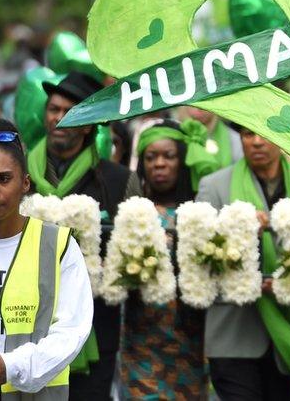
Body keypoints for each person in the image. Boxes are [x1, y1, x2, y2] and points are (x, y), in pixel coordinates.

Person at [196, 124, 290, 400]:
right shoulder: (214, 185)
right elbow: (198, 256)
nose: (256, 142)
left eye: (265, 134)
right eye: (247, 134)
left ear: (281, 139)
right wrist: (237, 231)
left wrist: (287, 283)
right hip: (235, 331)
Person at [0, 118, 93, 400]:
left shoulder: (57, 245)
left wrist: (11, 367)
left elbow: (72, 331)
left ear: (25, 183)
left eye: (3, 178)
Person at [25, 71, 130, 399]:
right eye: (53, 109)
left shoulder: (118, 180)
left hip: (96, 327)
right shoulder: (17, 174)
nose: (57, 117)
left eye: (68, 112)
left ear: (88, 124)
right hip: (26, 323)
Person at [119, 119, 217, 399]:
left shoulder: (203, 211)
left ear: (182, 160)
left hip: (191, 341)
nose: (159, 164)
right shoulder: (131, 212)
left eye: (168, 156)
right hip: (140, 341)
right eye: (151, 157)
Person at [176, 106, 242, 169]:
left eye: (203, 103)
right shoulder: (173, 134)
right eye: (194, 104)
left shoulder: (235, 140)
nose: (198, 109)